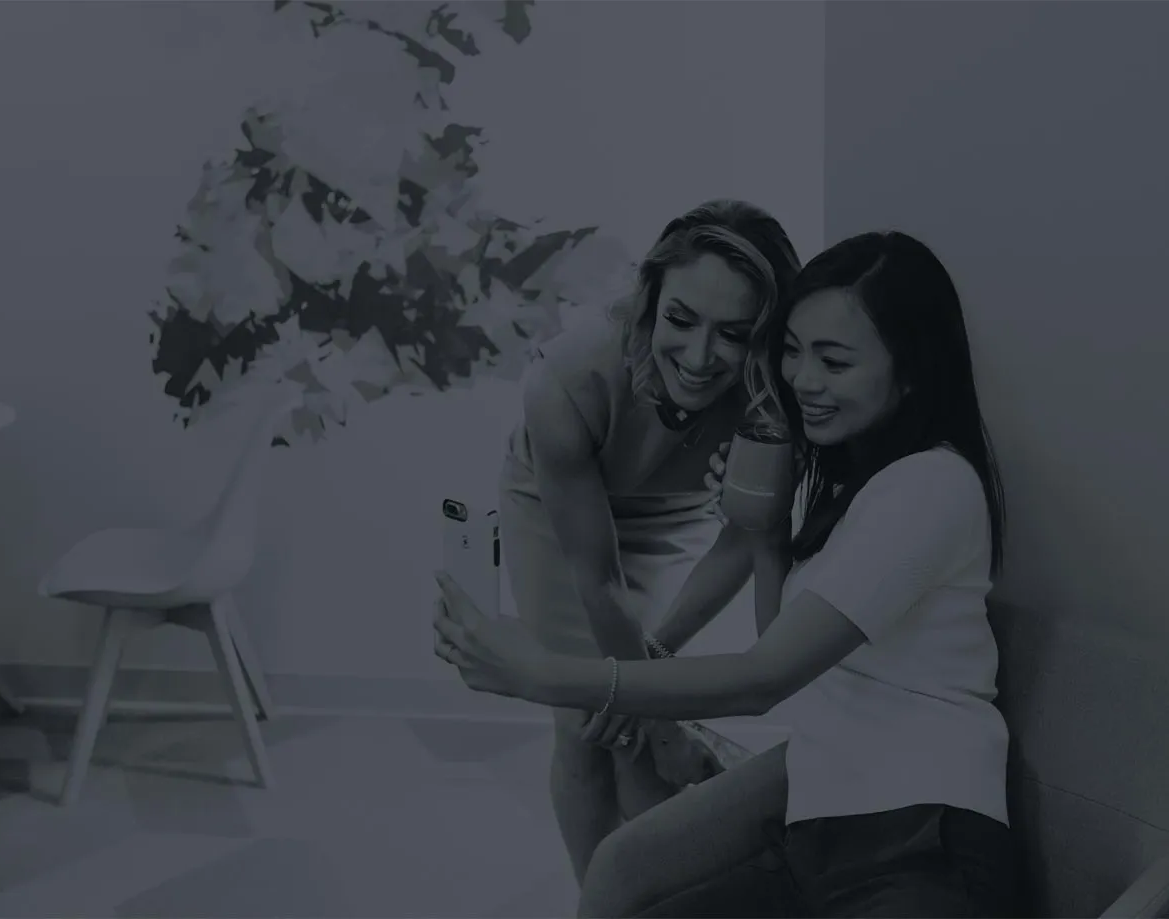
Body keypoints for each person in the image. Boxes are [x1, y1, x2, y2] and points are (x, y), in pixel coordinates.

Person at [436, 230, 1019, 918]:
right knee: (619, 876)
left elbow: (763, 679)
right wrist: (766, 537)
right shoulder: (864, 482)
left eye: (833, 361)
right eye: (794, 352)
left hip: (920, 835)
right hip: (823, 819)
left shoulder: (931, 488)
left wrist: (541, 674)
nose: (802, 379)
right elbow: (786, 649)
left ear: (912, 370)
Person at [495, 199, 802, 884]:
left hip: (675, 508)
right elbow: (597, 579)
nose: (698, 357)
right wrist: (653, 707)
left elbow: (744, 536)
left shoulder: (775, 387)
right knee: (587, 719)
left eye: (733, 333)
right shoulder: (564, 380)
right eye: (681, 319)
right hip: (555, 514)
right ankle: (601, 900)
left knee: (631, 713)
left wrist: (654, 671)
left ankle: (650, 897)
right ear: (649, 298)